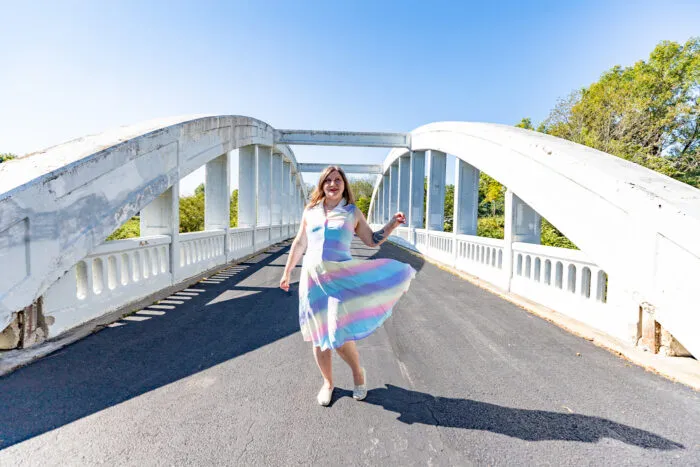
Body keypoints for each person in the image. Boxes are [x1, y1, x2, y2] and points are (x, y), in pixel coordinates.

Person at [279, 165, 416, 406]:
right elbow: (300, 243)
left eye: (337, 181)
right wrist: (287, 272)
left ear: (344, 185)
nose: (332, 184)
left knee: (338, 334)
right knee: (319, 336)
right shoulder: (310, 211)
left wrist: (392, 225)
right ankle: (328, 383)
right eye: (328, 181)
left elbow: (371, 240)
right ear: (321, 185)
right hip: (312, 280)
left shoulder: (351, 212)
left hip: (339, 279)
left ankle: (357, 374)